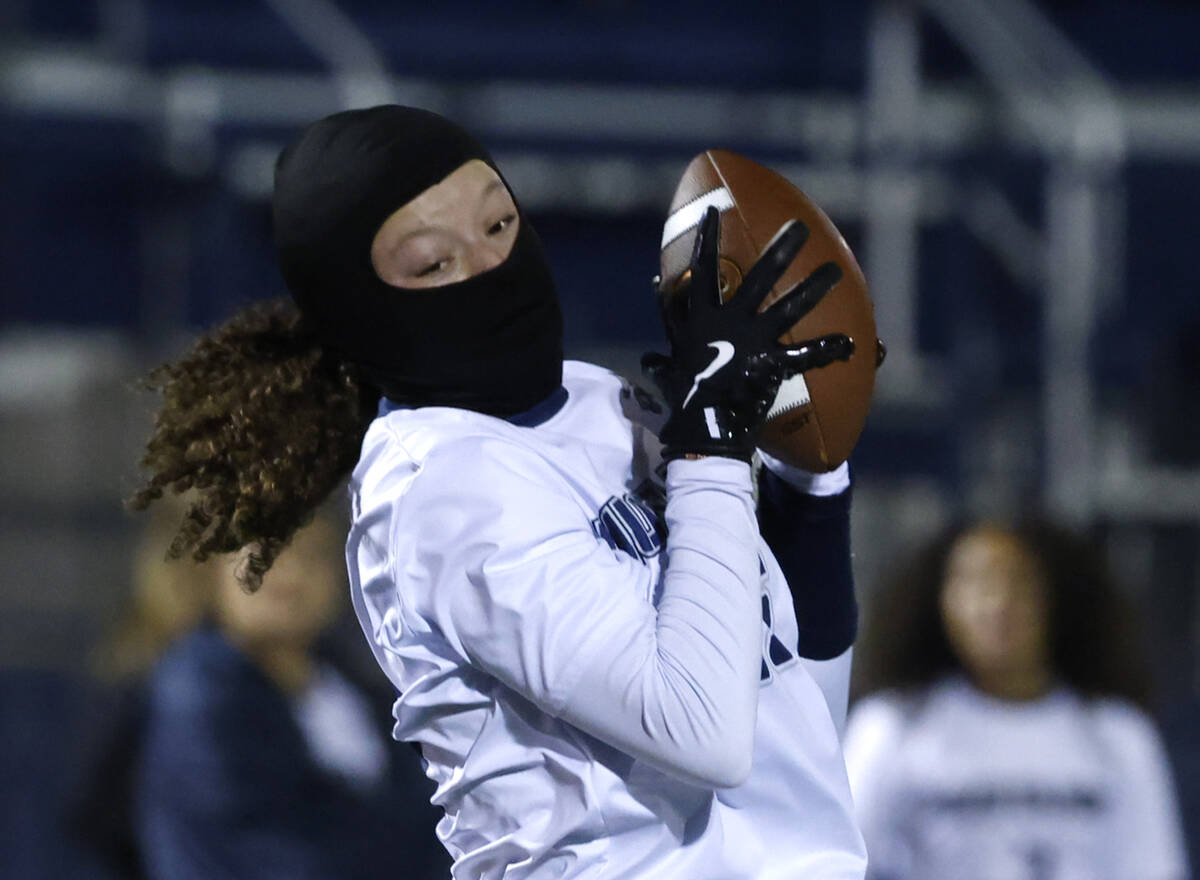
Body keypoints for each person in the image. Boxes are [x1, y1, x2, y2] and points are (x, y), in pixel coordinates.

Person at [128, 104, 869, 879]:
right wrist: (711, 442)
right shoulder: (437, 489)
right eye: (432, 264)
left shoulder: (599, 401)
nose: (488, 268)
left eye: (498, 224)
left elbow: (791, 713)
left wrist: (808, 486)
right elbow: (700, 728)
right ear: (360, 307)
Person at [69, 500, 450, 879]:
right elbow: (269, 858)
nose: (293, 575)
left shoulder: (363, 687)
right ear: (213, 569)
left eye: (314, 555)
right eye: (266, 553)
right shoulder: (198, 694)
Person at [843, 519, 1190, 880]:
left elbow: (1153, 867)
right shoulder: (890, 726)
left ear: (1058, 597)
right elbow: (841, 863)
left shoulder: (1118, 733)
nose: (997, 603)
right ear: (938, 598)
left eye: (1019, 582)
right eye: (974, 583)